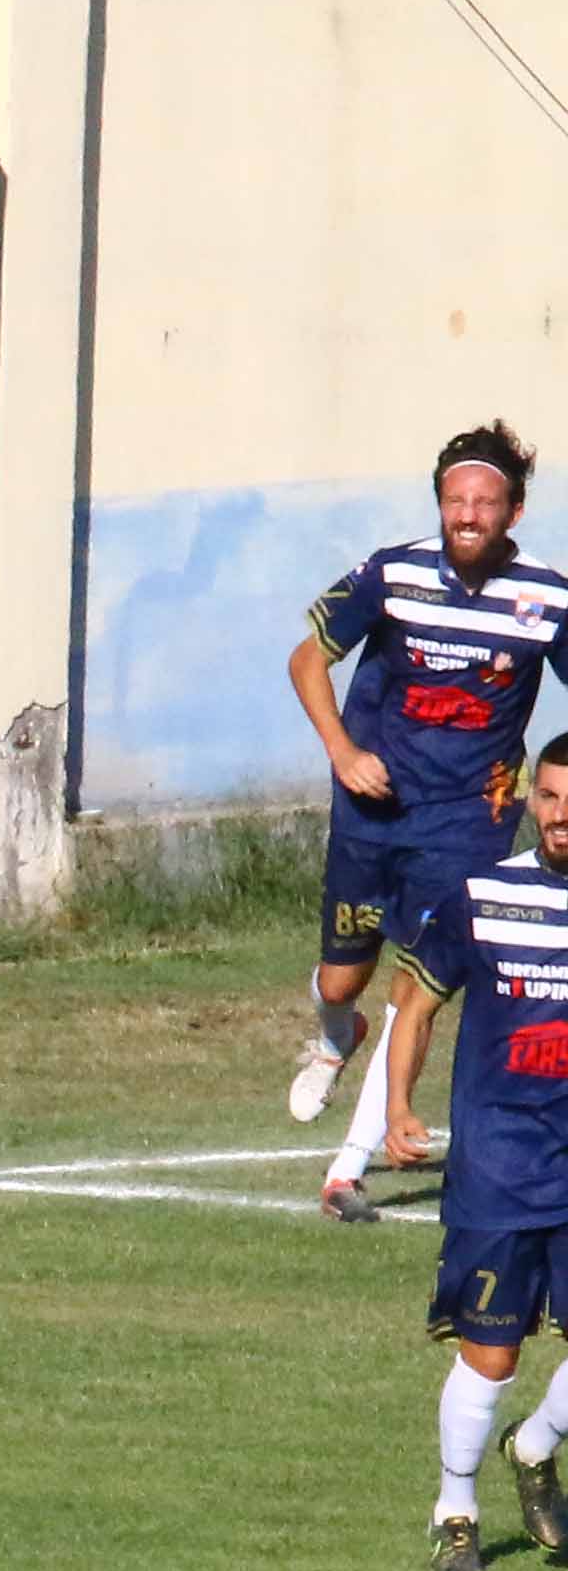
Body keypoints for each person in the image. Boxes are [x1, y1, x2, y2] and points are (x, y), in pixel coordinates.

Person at [298, 427, 563, 1217]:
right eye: (456, 502)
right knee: (344, 977)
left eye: (484, 503)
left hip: (467, 824)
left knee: (421, 986)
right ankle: (331, 1034)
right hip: (372, 808)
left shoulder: (548, 599)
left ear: (514, 510)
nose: (468, 516)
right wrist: (343, 752)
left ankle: (347, 1167)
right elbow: (306, 659)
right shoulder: (392, 572)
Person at [369, 739, 568, 1571]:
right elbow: (414, 1005)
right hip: (498, 1163)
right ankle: (456, 1509)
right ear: (530, 800)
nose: (565, 816)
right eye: (553, 798)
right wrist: (397, 1107)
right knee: (493, 1353)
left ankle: (535, 1447)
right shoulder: (484, 897)